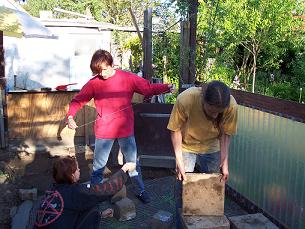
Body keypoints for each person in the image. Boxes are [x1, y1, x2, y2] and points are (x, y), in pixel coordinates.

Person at [66, 49, 174, 203]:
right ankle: (96, 195)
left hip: (126, 130)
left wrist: (166, 87)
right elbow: (78, 100)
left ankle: (140, 191)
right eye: (98, 71)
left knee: (133, 164)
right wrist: (70, 116)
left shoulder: (127, 78)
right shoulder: (94, 83)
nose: (102, 74)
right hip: (104, 130)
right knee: (98, 167)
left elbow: (147, 88)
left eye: (104, 69)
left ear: (112, 64)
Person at [167, 80, 238, 228]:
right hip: (186, 145)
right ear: (203, 100)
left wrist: (224, 162)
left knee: (212, 189)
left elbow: (226, 134)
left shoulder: (231, 106)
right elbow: (175, 130)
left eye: (218, 112)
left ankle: (208, 225)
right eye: (212, 110)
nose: (215, 115)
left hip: (212, 146)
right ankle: (180, 225)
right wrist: (179, 162)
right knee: (182, 187)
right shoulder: (186, 99)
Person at [34, 156, 135, 229]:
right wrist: (124, 170)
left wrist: (100, 215)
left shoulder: (52, 190)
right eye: (77, 169)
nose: (79, 170)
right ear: (72, 175)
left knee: (89, 205)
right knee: (93, 203)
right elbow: (106, 189)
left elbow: (66, 214)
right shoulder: (77, 192)